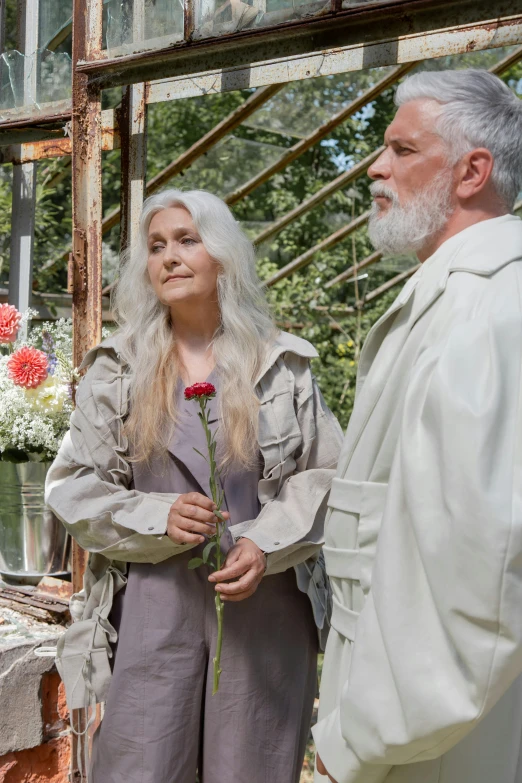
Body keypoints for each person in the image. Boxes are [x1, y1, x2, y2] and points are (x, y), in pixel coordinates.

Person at [45, 189, 343, 783]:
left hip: (265, 610)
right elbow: (71, 485)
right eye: (156, 247)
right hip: (155, 609)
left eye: (187, 240)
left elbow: (329, 476)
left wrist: (266, 543)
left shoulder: (280, 367)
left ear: (224, 257)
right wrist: (157, 517)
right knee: (143, 764)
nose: (170, 257)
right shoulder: (117, 368)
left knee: (249, 769)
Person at [314, 69, 522, 783]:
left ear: (472, 171)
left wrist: (359, 739)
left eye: (401, 150)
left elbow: (480, 575)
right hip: (402, 711)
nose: (374, 167)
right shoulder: (454, 293)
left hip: (428, 739)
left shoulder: (487, 311)